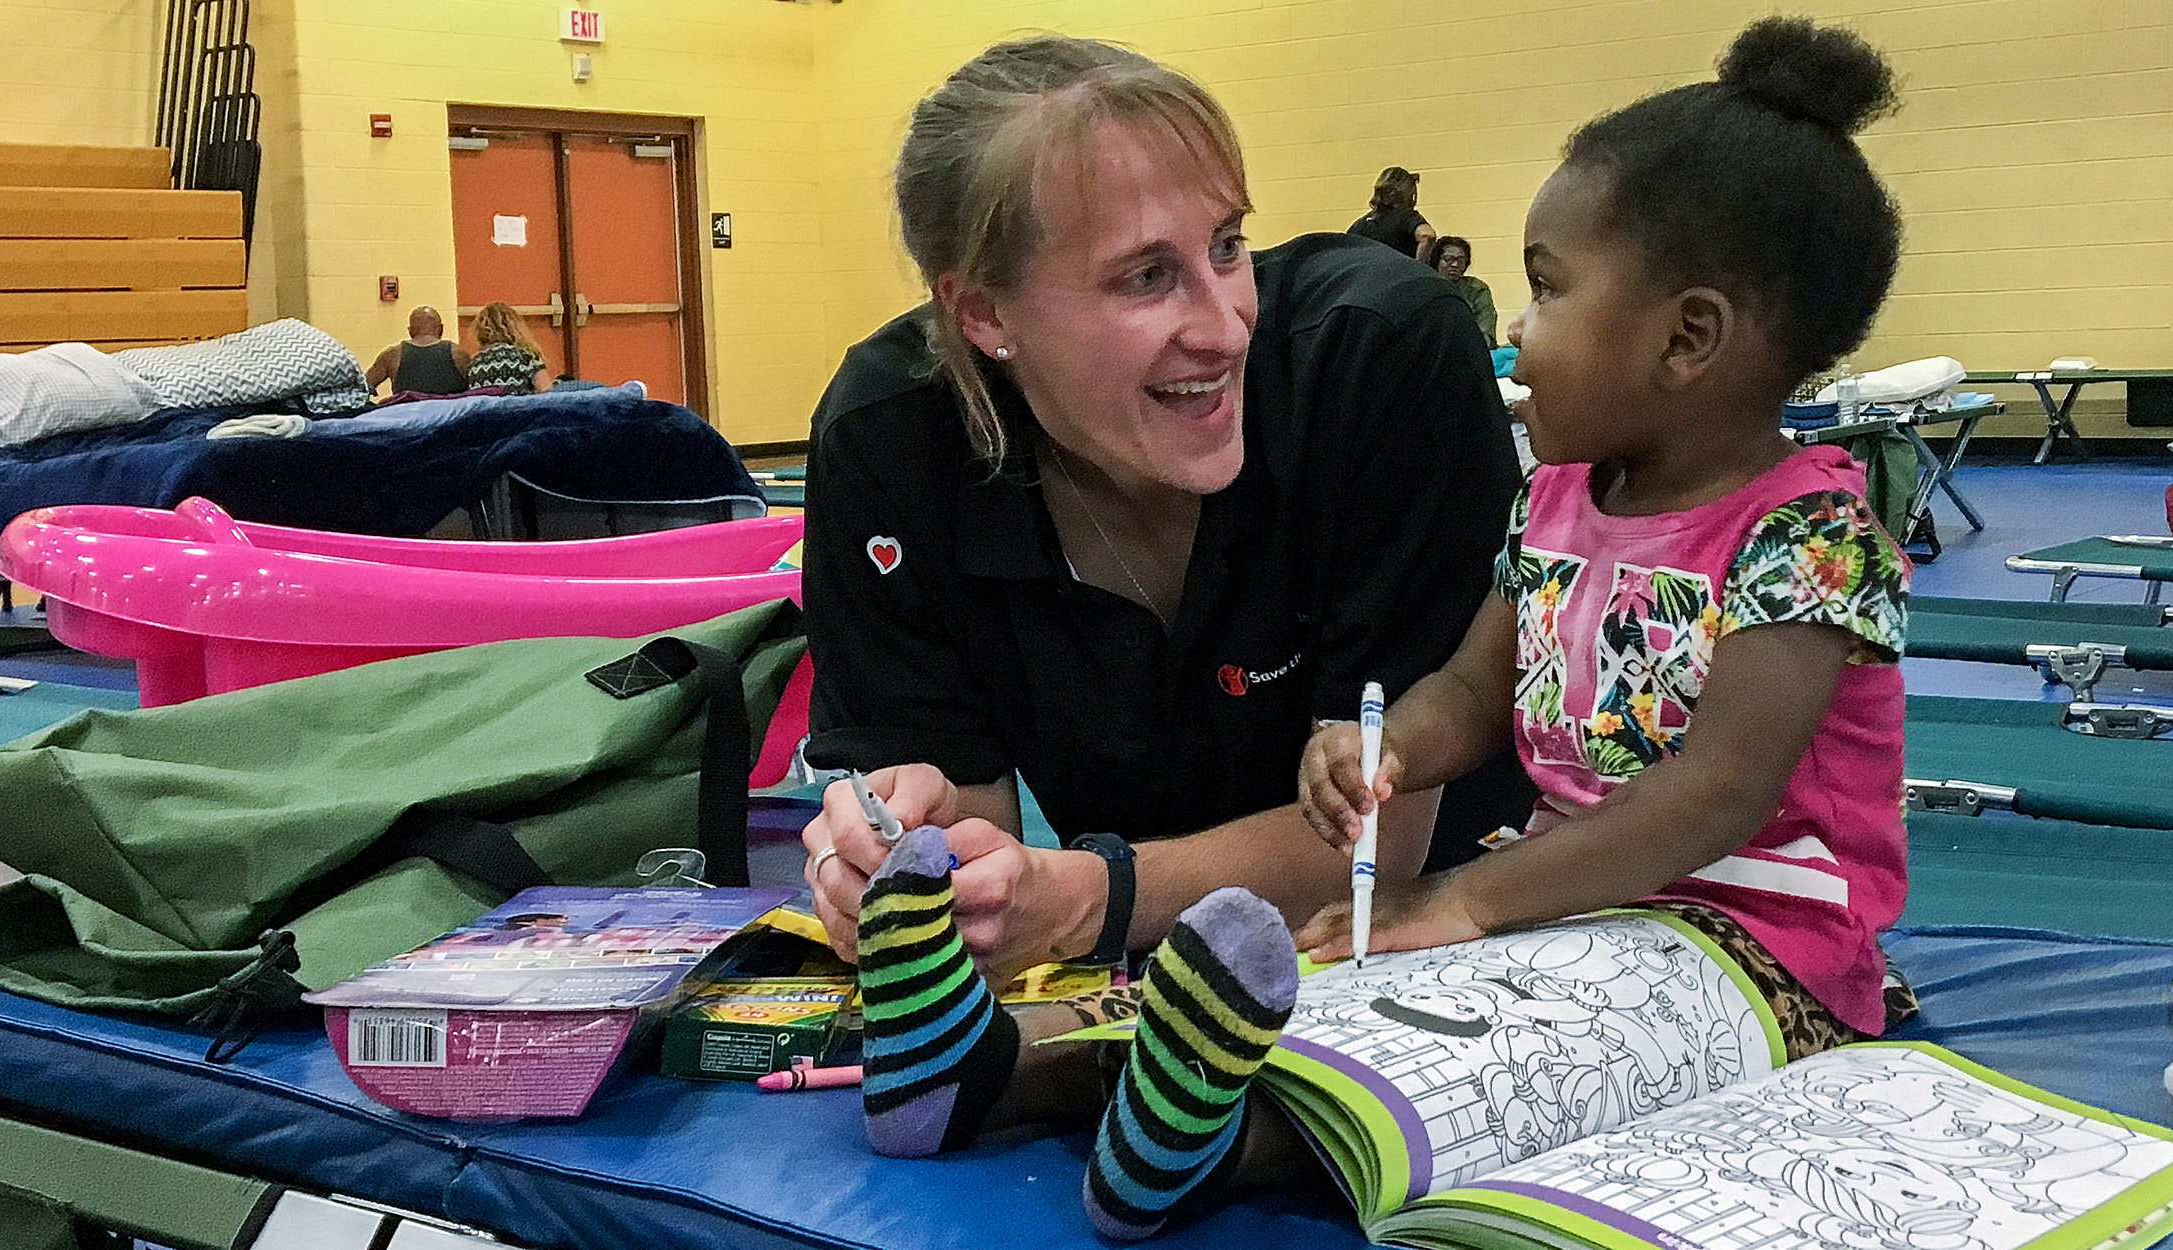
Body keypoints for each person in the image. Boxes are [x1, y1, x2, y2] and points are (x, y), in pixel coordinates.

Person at [844, 17, 1918, 1242]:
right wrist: (1387, 746)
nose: (1516, 330)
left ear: (1687, 337)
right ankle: (986, 1074)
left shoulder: (1810, 535)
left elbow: (1709, 799)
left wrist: (1461, 897)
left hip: (1765, 942)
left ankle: (1217, 1156)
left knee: (1519, 1049)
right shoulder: (1557, 502)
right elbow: (1471, 685)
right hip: (1570, 903)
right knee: (1334, 985)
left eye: (1550, 291)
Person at [800, 33, 1531, 996]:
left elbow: (1380, 843)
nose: (1227, 326)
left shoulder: (1376, 358)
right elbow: (968, 837)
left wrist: (1084, 898)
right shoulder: (888, 440)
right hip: (1152, 973)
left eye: (1228, 246)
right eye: (1146, 276)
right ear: (984, 315)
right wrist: (909, 866)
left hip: (1470, 930)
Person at [364, 306, 468, 396]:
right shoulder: (458, 354)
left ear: (410, 331)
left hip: (408, 417)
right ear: (441, 328)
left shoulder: (392, 355)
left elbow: (362, 388)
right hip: (450, 417)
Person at [1346, 165, 1433, 260]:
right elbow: (1427, 235)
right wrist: (1420, 267)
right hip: (1400, 272)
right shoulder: (1406, 217)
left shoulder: (1361, 224)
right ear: (1408, 193)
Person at [464, 301, 552, 394]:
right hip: (520, 407)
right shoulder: (526, 356)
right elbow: (545, 390)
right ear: (514, 327)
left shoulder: (474, 363)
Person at [1429, 235, 1501, 346]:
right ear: (1437, 260)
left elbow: (1486, 332)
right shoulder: (1426, 287)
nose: (1454, 265)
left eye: (1460, 260)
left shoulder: (1477, 289)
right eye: (1448, 259)